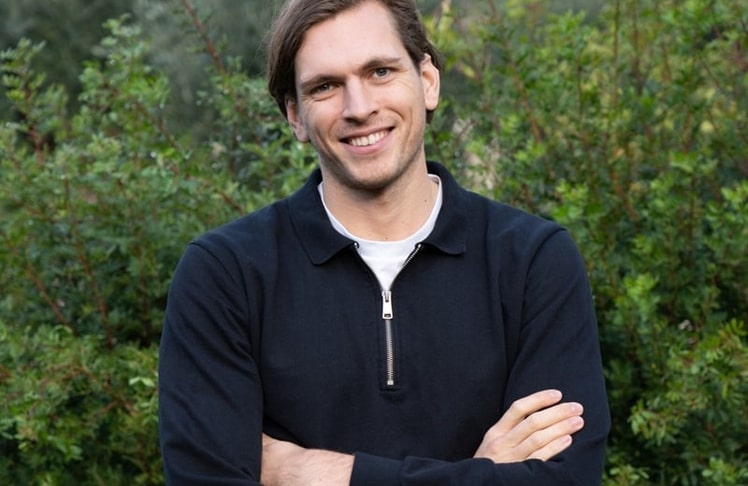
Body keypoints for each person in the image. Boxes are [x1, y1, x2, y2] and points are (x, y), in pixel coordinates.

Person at [157, 0, 611, 484]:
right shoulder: (225, 275)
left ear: (428, 81)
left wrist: (315, 472)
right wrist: (479, 474)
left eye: (380, 71)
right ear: (295, 116)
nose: (359, 108)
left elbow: (565, 479)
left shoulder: (533, 261)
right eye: (325, 86)